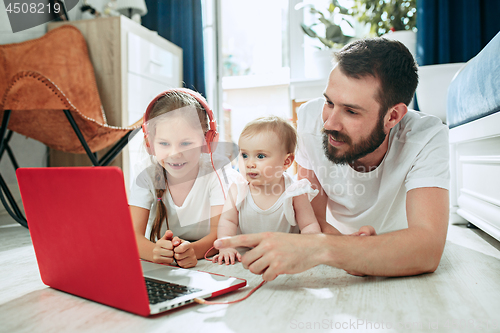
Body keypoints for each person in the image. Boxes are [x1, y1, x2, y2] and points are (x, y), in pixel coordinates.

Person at [215, 38, 450, 280]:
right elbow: (312, 216)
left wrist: (324, 250)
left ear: (393, 116)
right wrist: (351, 252)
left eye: (351, 111)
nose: (328, 124)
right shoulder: (310, 119)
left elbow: (427, 249)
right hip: (338, 243)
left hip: (397, 257)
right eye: (329, 102)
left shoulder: (427, 136)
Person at [129, 88, 235, 268]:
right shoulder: (146, 173)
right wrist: (154, 252)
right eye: (164, 143)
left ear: (207, 142)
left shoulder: (216, 170)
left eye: (186, 143)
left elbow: (220, 234)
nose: (175, 154)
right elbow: (132, 236)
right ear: (150, 145)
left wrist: (192, 251)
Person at [212, 116, 322, 265]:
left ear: (286, 162)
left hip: (285, 257)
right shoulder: (238, 188)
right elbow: (228, 221)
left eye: (260, 156)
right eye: (244, 155)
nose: (250, 163)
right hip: (246, 256)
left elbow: (309, 226)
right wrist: (227, 247)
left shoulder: (294, 192)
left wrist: (308, 248)